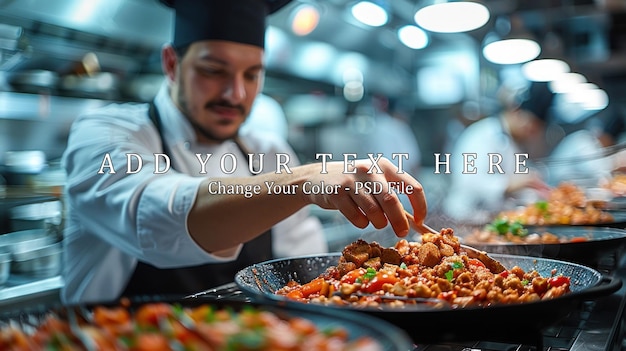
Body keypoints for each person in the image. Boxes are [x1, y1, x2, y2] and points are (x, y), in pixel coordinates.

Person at [60, 0, 427, 304]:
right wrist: (306, 180)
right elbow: (157, 218)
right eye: (214, 71)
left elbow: (304, 271)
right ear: (172, 64)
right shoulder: (106, 134)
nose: (235, 94)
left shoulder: (266, 150)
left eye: (252, 75)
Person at [441, 81, 553, 223]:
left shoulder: (515, 141)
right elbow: (468, 182)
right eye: (530, 126)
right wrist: (510, 183)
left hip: (494, 221)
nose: (530, 133)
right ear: (516, 111)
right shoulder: (482, 134)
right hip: (464, 221)